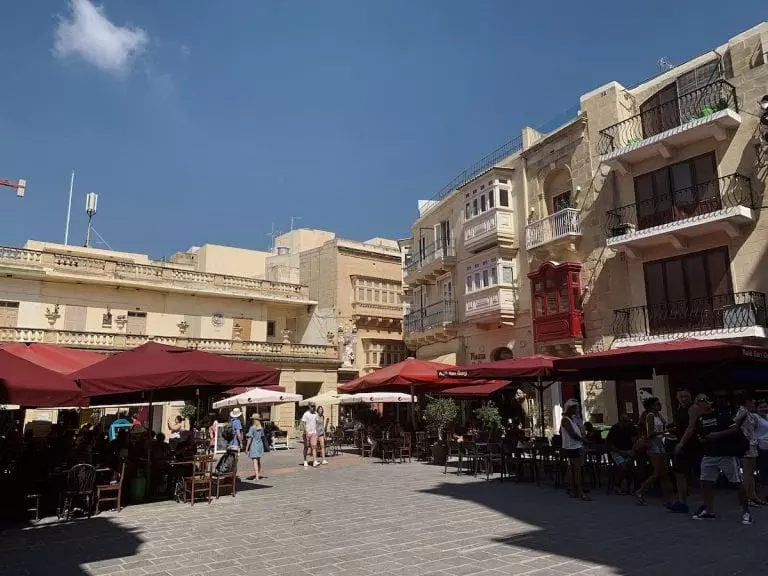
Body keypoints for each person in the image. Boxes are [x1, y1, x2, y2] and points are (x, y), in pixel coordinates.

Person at [676, 393, 752, 524]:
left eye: (705, 399)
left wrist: (716, 435)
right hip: (709, 455)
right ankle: (709, 511)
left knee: (736, 483)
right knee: (705, 482)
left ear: (709, 402)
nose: (703, 402)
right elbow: (700, 435)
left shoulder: (721, 415)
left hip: (726, 454)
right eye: (699, 401)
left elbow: (734, 429)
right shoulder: (700, 420)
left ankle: (746, 512)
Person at [634, 397, 673, 506]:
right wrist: (666, 432)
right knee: (657, 472)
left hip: (660, 443)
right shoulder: (650, 416)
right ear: (651, 406)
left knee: (665, 471)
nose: (659, 405)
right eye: (657, 404)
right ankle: (640, 491)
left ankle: (667, 497)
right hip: (653, 445)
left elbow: (662, 427)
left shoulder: (658, 415)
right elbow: (650, 433)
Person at [667, 389, 700, 513]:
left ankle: (706, 503)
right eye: (681, 396)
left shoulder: (693, 409)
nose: (683, 398)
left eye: (686, 396)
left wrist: (681, 443)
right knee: (679, 472)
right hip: (682, 447)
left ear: (690, 397)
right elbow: (680, 425)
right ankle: (681, 502)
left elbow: (691, 428)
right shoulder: (679, 410)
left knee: (701, 475)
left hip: (694, 446)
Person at [735, 393, 765, 506]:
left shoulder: (749, 413)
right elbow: (735, 425)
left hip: (752, 444)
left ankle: (753, 496)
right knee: (747, 473)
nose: (753, 402)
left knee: (751, 473)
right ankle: (746, 498)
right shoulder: (742, 412)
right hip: (746, 445)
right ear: (746, 401)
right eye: (752, 400)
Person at [560, 399, 590, 501]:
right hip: (572, 447)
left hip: (577, 446)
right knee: (576, 470)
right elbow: (572, 434)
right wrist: (583, 440)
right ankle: (580, 492)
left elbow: (581, 428)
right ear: (570, 408)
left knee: (575, 469)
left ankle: (574, 490)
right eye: (575, 408)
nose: (577, 410)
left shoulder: (575, 418)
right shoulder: (565, 420)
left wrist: (583, 435)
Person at [606, 414, 636, 495]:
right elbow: (610, 445)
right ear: (620, 421)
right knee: (622, 465)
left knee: (631, 465)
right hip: (616, 452)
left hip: (628, 451)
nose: (626, 423)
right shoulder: (614, 428)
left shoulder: (631, 428)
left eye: (628, 421)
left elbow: (634, 441)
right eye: (624, 421)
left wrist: (632, 451)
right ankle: (616, 485)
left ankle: (629, 485)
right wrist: (621, 452)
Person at [245, 415, 266, 480]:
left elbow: (249, 439)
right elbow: (262, 436)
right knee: (258, 460)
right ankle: (258, 474)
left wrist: (246, 448)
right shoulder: (261, 428)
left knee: (255, 461)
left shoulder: (252, 428)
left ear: (253, 420)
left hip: (254, 445)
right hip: (260, 444)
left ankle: (256, 476)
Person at [756, 402, 768, 501]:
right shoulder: (755, 418)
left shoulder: (767, 417)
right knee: (764, 470)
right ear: (757, 408)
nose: (764, 409)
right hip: (761, 446)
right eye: (761, 407)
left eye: (765, 406)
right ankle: (762, 495)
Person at [301, 403, 319, 468]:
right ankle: (305, 460)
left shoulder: (316, 414)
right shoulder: (306, 414)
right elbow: (303, 423)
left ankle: (314, 461)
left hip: (313, 433)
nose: (313, 407)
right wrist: (306, 432)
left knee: (314, 447)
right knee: (306, 447)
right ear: (309, 406)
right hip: (307, 433)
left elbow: (317, 422)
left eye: (314, 406)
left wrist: (316, 431)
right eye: (312, 406)